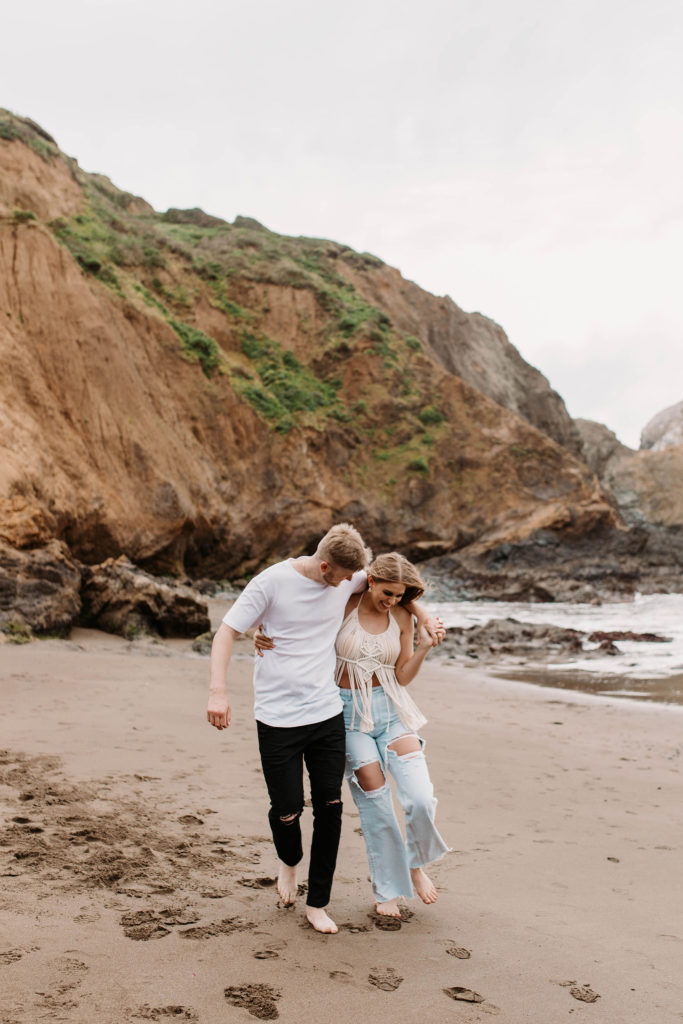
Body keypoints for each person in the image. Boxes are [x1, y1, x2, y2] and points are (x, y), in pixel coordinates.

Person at [206, 524, 440, 934]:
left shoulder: (349, 580)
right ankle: (290, 864)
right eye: (344, 578)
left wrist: (419, 614)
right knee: (288, 810)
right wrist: (218, 691)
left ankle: (319, 904)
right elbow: (227, 630)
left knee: (332, 809)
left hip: (331, 713)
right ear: (327, 565)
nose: (350, 584)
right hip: (280, 717)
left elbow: (389, 582)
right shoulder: (274, 583)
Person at [335, 552, 449, 918]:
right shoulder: (342, 604)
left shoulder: (401, 616)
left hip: (393, 711)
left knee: (419, 798)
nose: (392, 601)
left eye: (400, 596)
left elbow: (401, 675)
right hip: (349, 718)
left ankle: (415, 866)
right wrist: (263, 636)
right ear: (370, 581)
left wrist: (425, 645)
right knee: (377, 802)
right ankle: (387, 889)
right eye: (387, 592)